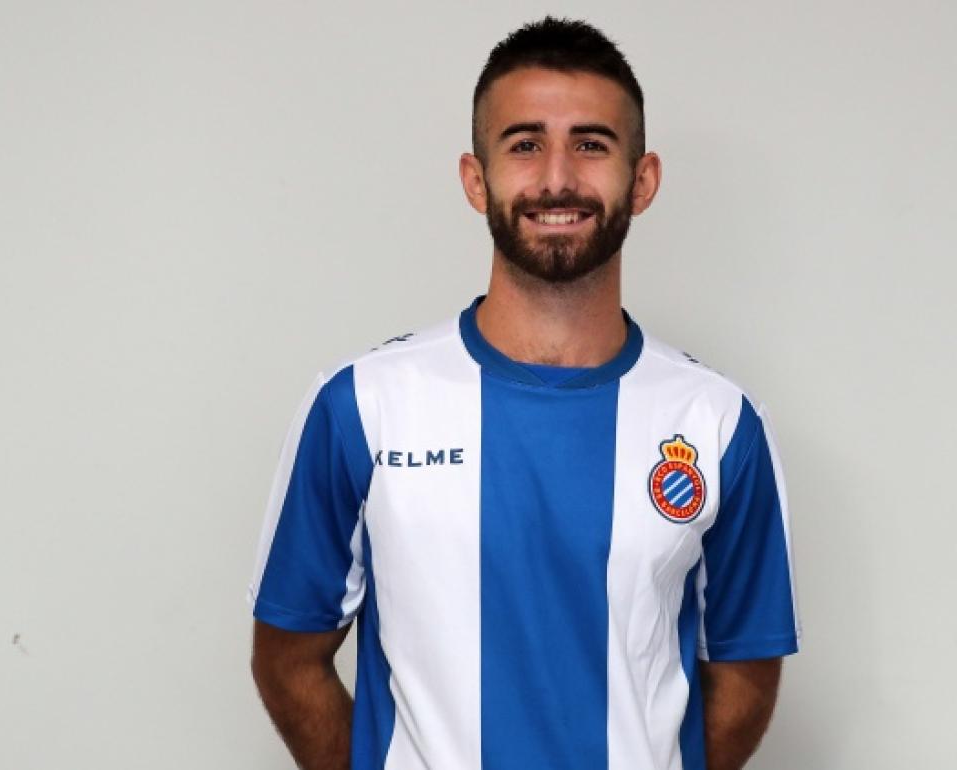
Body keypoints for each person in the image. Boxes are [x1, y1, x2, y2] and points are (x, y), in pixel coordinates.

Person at [246, 16, 800, 770]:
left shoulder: (718, 423)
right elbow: (286, 658)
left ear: (644, 180)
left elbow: (743, 669)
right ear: (477, 179)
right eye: (525, 143)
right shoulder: (361, 405)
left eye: (592, 144)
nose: (557, 178)